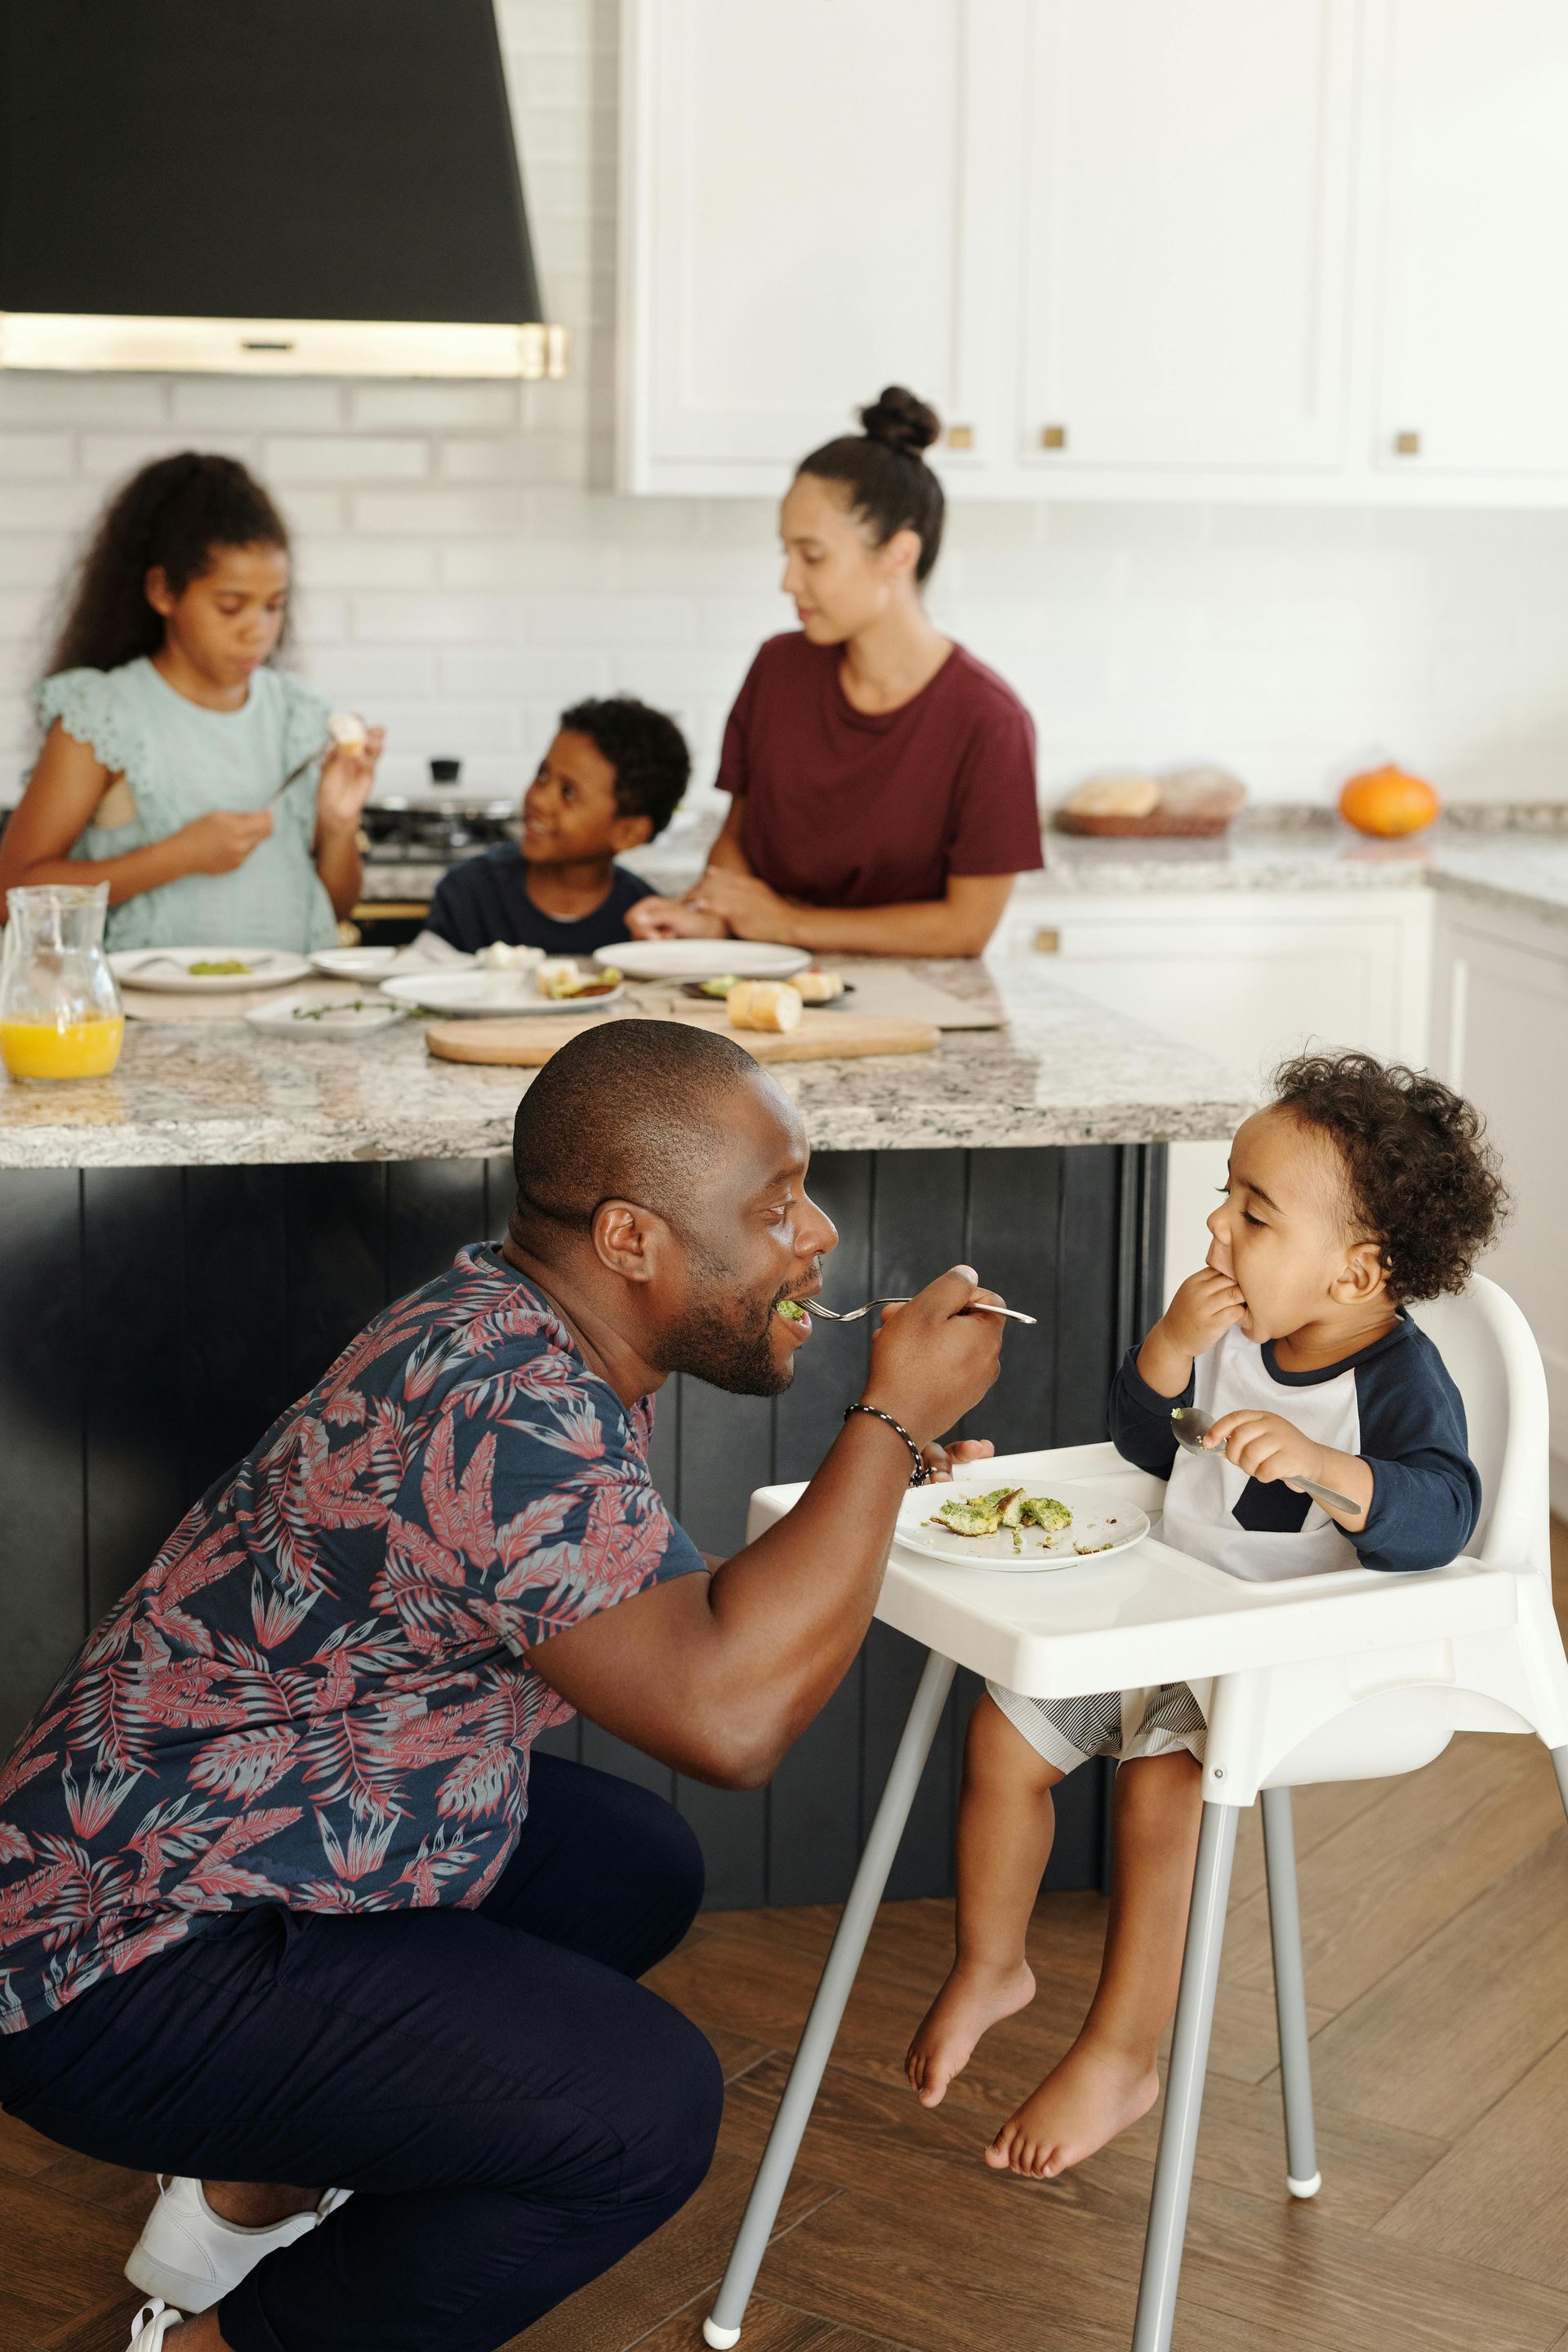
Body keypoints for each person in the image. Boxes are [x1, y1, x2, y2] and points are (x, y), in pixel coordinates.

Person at [0, 1019, 1005, 2352]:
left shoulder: (507, 1312)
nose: (815, 1235)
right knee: (640, 2114)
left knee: (629, 1865)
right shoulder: (498, 1408)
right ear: (632, 1239)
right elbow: (730, 1716)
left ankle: (249, 2192)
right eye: (776, 1207)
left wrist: (877, 1479)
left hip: (246, 1835)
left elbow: (666, 1611)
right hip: (112, 1962)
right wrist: (887, 1429)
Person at [905, 1050, 1508, 2181]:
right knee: (1004, 1734)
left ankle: (1123, 2051)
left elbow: (1442, 1515)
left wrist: (1335, 1467)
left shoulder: (1396, 1382)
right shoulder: (1232, 1331)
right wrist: (1167, 1354)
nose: (1218, 1228)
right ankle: (992, 1962)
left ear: (1357, 1272)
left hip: (1274, 1663)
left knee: (1161, 1789)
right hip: (1160, 1616)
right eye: (1226, 1195)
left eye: (1256, 1214)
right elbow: (1148, 1450)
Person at [627, 386, 1042, 960]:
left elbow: (965, 928)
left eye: (812, 556)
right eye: (786, 554)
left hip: (915, 999)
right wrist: (711, 918)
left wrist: (789, 925)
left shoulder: (990, 722)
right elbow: (739, 837)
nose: (788, 581)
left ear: (899, 555)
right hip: (762, 977)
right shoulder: (778, 668)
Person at [0, 452, 382, 954]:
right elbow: (14, 896)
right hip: (149, 1023)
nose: (259, 632)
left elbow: (333, 908)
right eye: (230, 606)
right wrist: (179, 856)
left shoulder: (300, 716)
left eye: (274, 606)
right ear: (163, 592)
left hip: (288, 1014)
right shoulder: (103, 715)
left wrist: (337, 826)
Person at [422, 696, 688, 956]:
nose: (538, 798)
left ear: (628, 833)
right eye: (542, 775)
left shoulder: (645, 925)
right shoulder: (468, 893)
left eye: (569, 792)